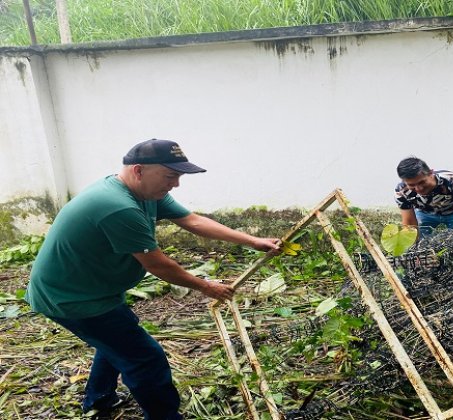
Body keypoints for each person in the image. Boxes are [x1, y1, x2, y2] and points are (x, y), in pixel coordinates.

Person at [25, 138, 281, 420]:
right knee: (145, 358)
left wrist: (252, 240)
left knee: (115, 341)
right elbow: (158, 265)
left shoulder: (145, 194)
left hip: (93, 289)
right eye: (170, 176)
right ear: (139, 170)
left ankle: (99, 401)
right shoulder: (118, 206)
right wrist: (206, 286)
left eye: (179, 176)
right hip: (74, 298)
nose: (176, 184)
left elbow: (192, 221)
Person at [394, 156, 453, 236]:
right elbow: (409, 223)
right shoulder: (401, 192)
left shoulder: (452, 180)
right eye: (412, 185)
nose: (419, 188)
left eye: (422, 182)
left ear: (431, 173)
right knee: (421, 246)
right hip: (425, 214)